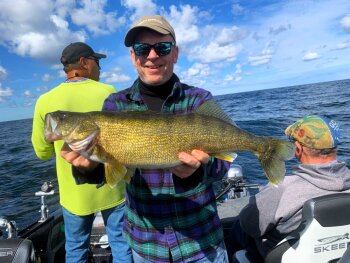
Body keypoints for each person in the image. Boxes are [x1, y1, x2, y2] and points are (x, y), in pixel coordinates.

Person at [62, 15, 231, 263]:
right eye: (142, 48)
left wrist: (196, 174)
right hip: (146, 246)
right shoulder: (115, 105)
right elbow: (113, 168)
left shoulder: (199, 100)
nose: (152, 56)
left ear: (174, 53)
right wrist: (89, 168)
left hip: (202, 242)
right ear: (133, 56)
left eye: (162, 47)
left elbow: (222, 166)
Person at [31, 42, 132, 263]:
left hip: (74, 195)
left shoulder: (44, 101)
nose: (100, 67)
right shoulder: (109, 91)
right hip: (112, 187)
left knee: (75, 249)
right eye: (97, 61)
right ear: (84, 63)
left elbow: (42, 152)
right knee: (121, 244)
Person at [229, 115, 350, 262]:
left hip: (280, 256)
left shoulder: (282, 189)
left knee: (238, 227)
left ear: (298, 149)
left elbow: (250, 226)